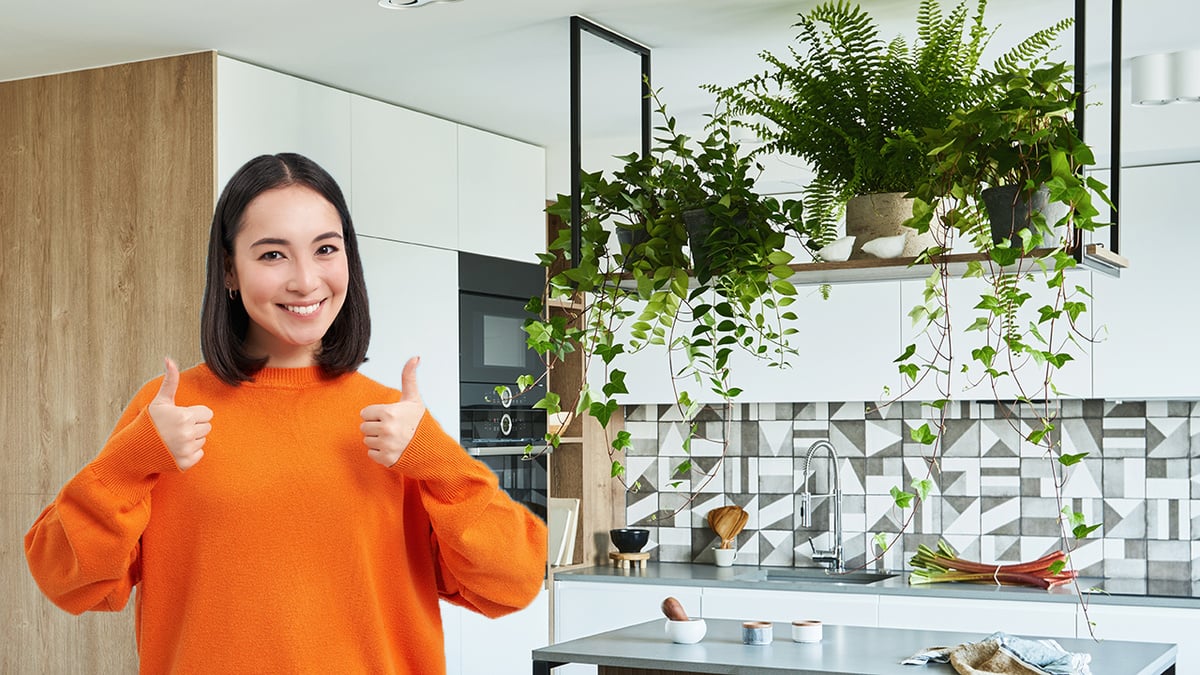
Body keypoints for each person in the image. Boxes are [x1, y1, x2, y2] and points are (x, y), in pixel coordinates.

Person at [24, 152, 547, 673]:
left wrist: (440, 464)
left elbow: (513, 582)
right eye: (273, 255)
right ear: (230, 269)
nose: (305, 280)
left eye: (325, 249)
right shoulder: (170, 413)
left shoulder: (393, 423)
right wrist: (128, 463)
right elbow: (67, 580)